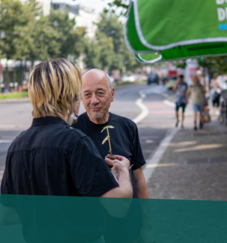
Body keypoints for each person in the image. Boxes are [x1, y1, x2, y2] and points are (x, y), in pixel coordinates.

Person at [0, 59, 133, 243]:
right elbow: (119, 207)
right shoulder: (76, 142)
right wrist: (124, 170)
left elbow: (6, 216)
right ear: (69, 95)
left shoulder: (16, 147)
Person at [73, 69, 149, 243]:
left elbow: (139, 180)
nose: (94, 100)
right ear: (81, 97)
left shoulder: (127, 127)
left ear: (112, 93)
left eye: (100, 93)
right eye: (87, 94)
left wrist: (147, 227)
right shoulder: (73, 133)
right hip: (93, 234)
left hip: (130, 230)